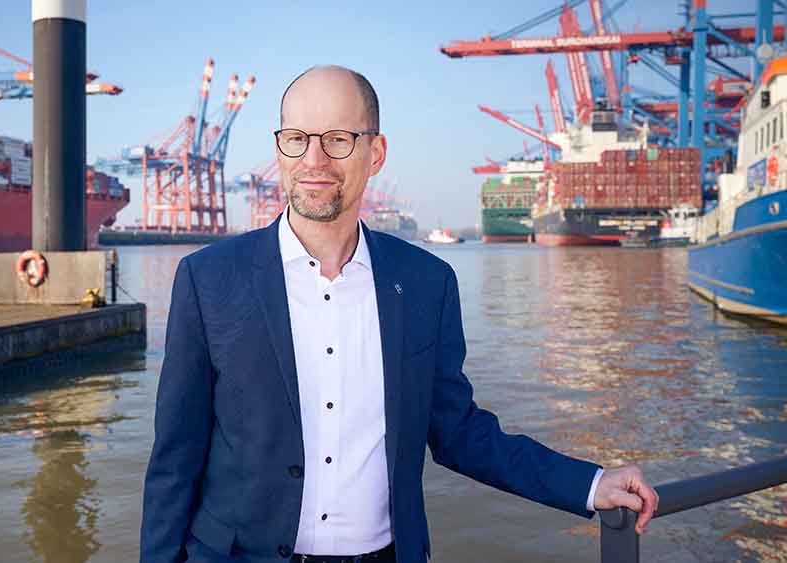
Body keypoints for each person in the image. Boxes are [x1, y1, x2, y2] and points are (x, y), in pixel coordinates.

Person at [141, 65, 658, 563]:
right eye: (297, 137)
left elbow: (459, 433)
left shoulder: (427, 283)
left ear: (376, 153)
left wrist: (590, 484)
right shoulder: (208, 280)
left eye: (338, 139)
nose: (313, 159)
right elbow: (174, 462)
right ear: (280, 147)